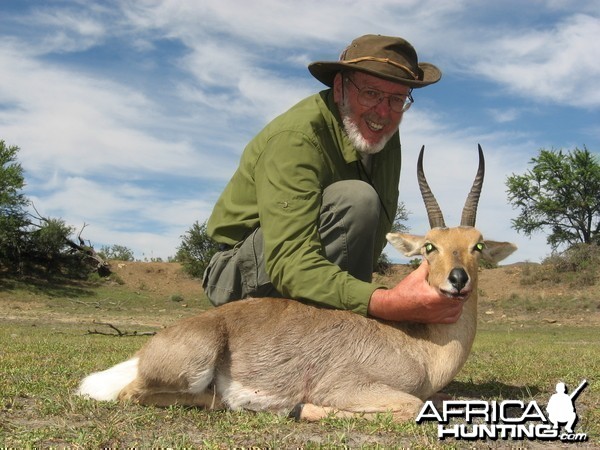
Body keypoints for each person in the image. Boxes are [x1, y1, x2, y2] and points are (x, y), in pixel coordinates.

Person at [203, 34, 463, 324]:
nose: (383, 111)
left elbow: (369, 236)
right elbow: (289, 261)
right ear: (340, 87)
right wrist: (383, 302)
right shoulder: (295, 139)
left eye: (396, 99)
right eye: (371, 93)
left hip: (301, 270)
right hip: (239, 276)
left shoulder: (383, 132)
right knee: (356, 199)